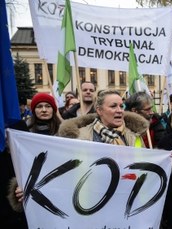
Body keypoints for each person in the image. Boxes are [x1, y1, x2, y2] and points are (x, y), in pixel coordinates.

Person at [7, 93, 62, 228]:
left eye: (48, 106)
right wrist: (19, 185)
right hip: (33, 191)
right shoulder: (22, 133)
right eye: (39, 106)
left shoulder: (64, 133)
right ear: (33, 110)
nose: (44, 110)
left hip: (59, 189)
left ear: (53, 110)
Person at [58, 89, 149, 147]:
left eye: (121, 106)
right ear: (99, 110)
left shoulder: (134, 135)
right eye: (113, 106)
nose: (119, 110)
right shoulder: (80, 136)